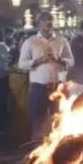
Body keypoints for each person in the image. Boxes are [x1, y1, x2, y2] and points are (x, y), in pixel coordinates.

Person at [19, 12, 74, 141]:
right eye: (44, 20)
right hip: (38, 88)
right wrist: (39, 61)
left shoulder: (62, 41)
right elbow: (21, 64)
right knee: (38, 121)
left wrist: (60, 60)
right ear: (39, 23)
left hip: (57, 88)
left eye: (50, 19)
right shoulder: (31, 42)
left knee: (58, 120)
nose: (48, 22)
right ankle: (37, 148)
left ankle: (55, 148)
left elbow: (71, 61)